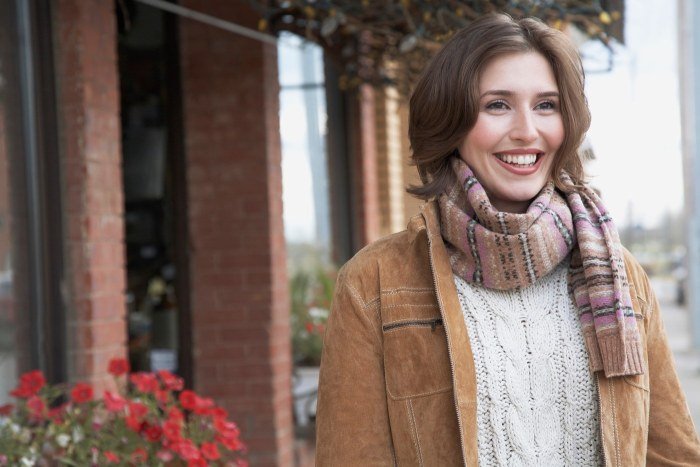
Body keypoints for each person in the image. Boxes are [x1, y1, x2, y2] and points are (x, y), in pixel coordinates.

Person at [315, 12, 700, 466]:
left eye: (546, 105)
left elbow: (671, 456)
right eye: (497, 105)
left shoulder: (618, 274)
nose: (526, 131)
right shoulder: (375, 283)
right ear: (452, 121)